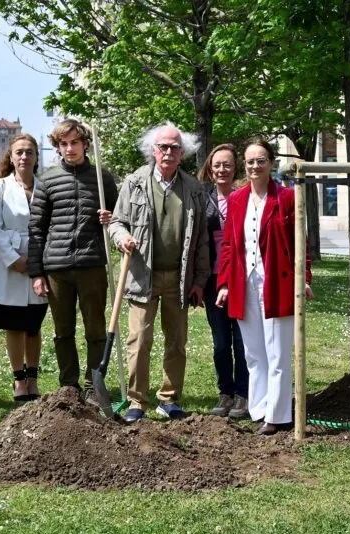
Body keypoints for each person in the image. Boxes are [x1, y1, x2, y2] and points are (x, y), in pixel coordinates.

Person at [109, 123, 209, 422]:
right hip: (142, 274)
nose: (168, 152)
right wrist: (121, 237)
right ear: (153, 150)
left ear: (183, 153)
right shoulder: (135, 182)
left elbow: (202, 238)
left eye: (174, 148)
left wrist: (200, 280)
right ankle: (137, 401)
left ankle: (169, 399)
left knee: (176, 341)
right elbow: (116, 222)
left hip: (179, 278)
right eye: (163, 147)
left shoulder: (193, 188)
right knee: (139, 340)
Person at [216, 139, 313, 435]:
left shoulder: (286, 197)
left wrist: (305, 277)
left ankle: (278, 414)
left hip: (278, 282)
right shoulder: (236, 199)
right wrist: (224, 283)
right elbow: (230, 245)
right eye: (249, 161)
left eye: (260, 160)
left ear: (271, 163)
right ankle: (259, 409)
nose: (254, 166)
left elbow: (300, 241)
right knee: (254, 353)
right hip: (244, 283)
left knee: (278, 353)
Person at [28, 118, 117, 403]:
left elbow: (119, 218)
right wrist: (37, 273)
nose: (69, 149)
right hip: (57, 268)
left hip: (92, 264)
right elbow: (36, 229)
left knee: (96, 329)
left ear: (85, 144)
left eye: (74, 143)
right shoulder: (48, 180)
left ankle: (93, 386)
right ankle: (69, 386)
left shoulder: (103, 178)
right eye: (63, 144)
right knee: (62, 330)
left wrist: (110, 217)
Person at [0, 133, 50, 402]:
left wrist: (36, 263)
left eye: (29, 152)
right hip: (8, 265)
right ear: (11, 157)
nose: (24, 156)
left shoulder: (45, 188)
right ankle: (18, 380)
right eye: (19, 152)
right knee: (14, 325)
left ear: (36, 156)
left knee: (33, 324)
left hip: (39, 263)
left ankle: (33, 378)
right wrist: (15, 259)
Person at [198, 144, 250, 419]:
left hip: (241, 278)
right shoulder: (203, 197)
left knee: (242, 340)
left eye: (227, 164)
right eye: (217, 164)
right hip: (212, 279)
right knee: (220, 341)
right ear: (210, 168)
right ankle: (225, 392)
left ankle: (243, 394)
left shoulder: (245, 196)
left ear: (235, 168)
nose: (222, 169)